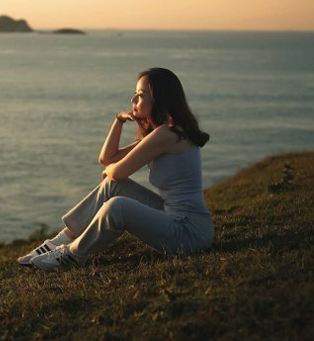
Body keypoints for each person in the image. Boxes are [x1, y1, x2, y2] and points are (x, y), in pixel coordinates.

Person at [18, 68, 214, 271]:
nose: (133, 99)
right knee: (113, 186)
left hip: (189, 233)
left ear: (159, 99)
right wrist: (119, 120)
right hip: (173, 216)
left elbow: (117, 171)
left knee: (118, 206)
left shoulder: (167, 134)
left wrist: (110, 170)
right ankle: (59, 241)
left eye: (140, 95)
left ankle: (73, 254)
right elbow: (107, 159)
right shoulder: (163, 133)